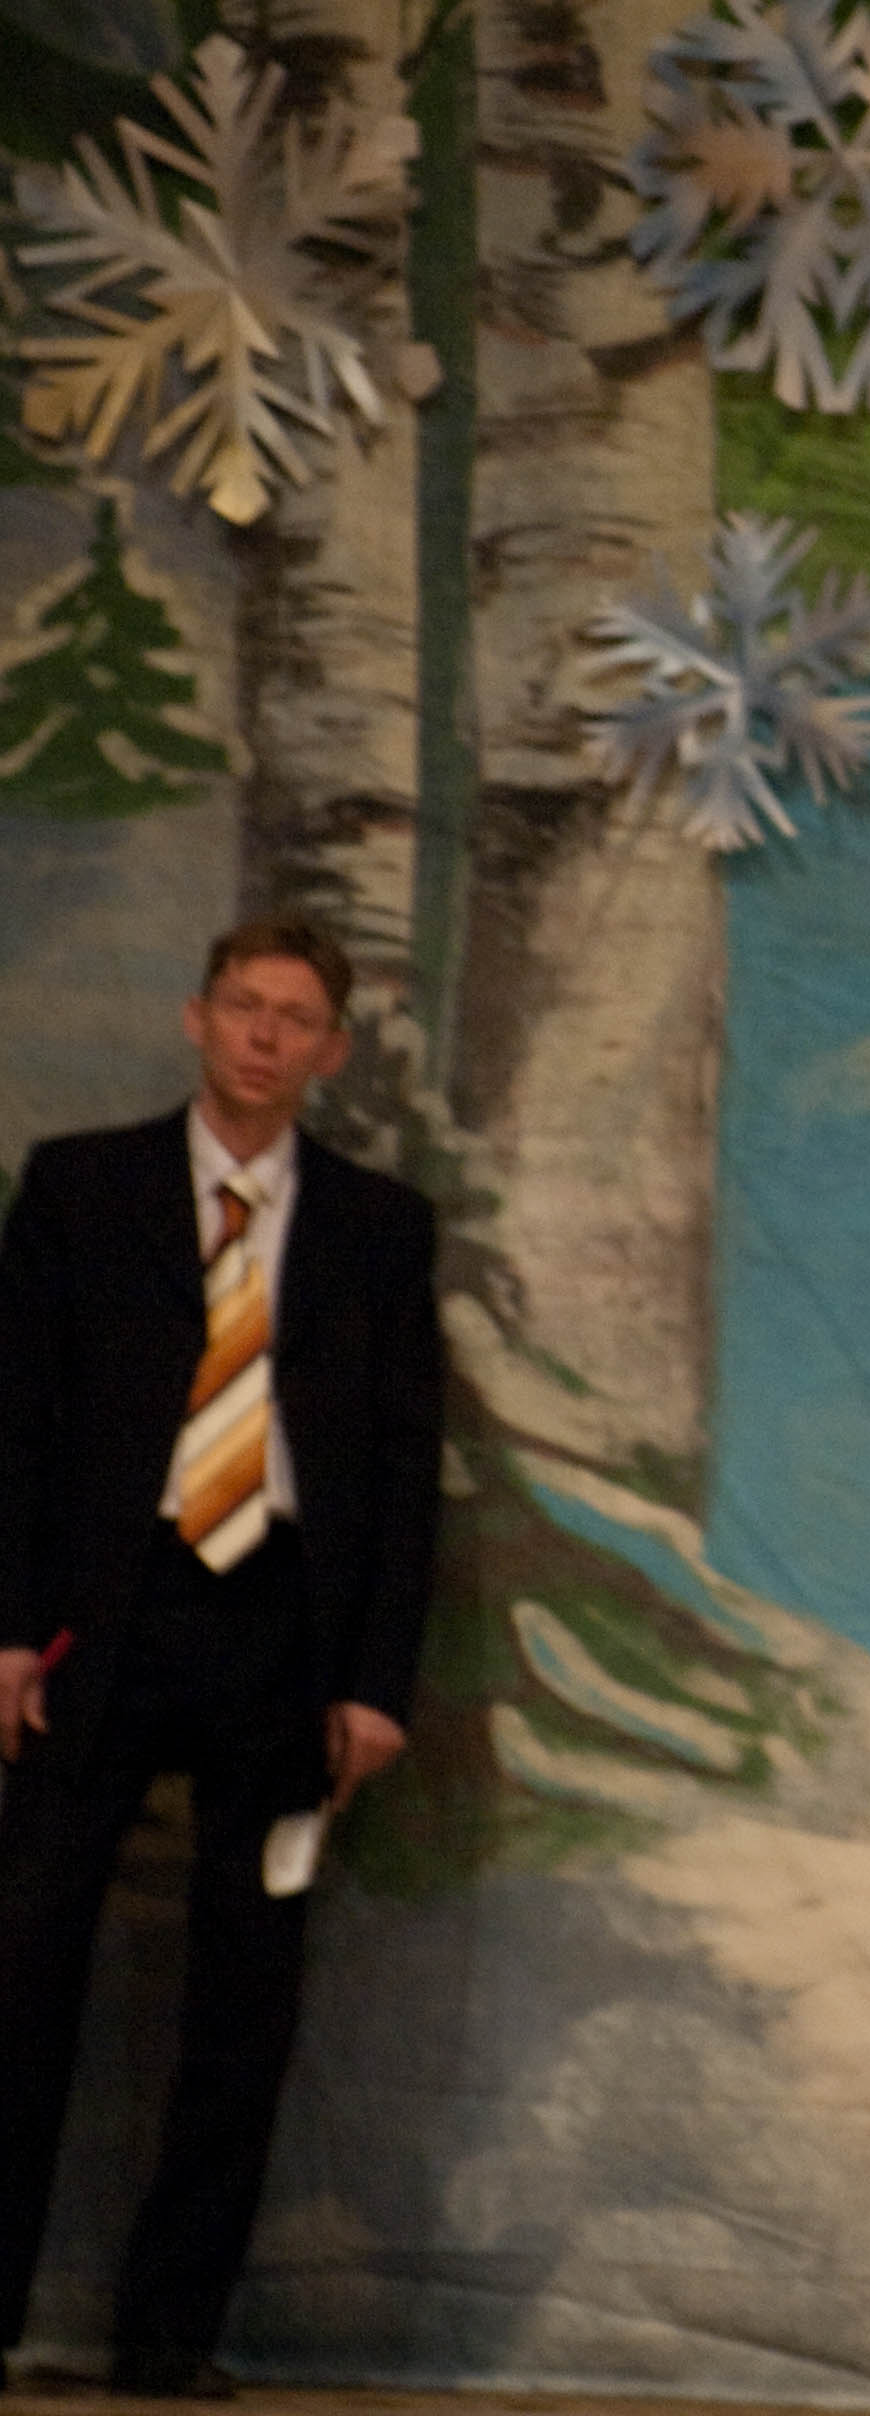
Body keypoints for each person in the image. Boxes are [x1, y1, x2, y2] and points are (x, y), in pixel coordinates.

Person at [0, 919, 445, 2399]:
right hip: (105, 1622)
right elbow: (18, 1424)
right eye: (243, 1006)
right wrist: (10, 1631)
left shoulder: (380, 1228)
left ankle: (169, 2335)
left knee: (248, 1996)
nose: (264, 1035)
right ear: (196, 1018)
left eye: (294, 1017)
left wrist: (374, 1682)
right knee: (24, 1963)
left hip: (285, 1637)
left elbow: (404, 1467)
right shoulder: (82, 1189)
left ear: (332, 1049)